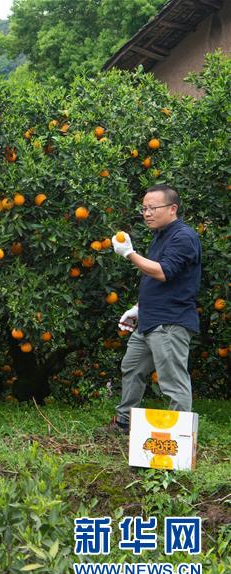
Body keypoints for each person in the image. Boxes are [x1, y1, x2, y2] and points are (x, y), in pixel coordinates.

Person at [102, 184, 202, 435]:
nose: (147, 213)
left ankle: (179, 439)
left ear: (172, 208)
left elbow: (163, 272)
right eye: (144, 208)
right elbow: (159, 279)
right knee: (132, 368)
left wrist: (129, 254)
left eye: (152, 208)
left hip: (170, 322)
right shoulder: (161, 235)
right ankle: (124, 423)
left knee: (172, 381)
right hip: (149, 320)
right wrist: (138, 308)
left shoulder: (184, 237)